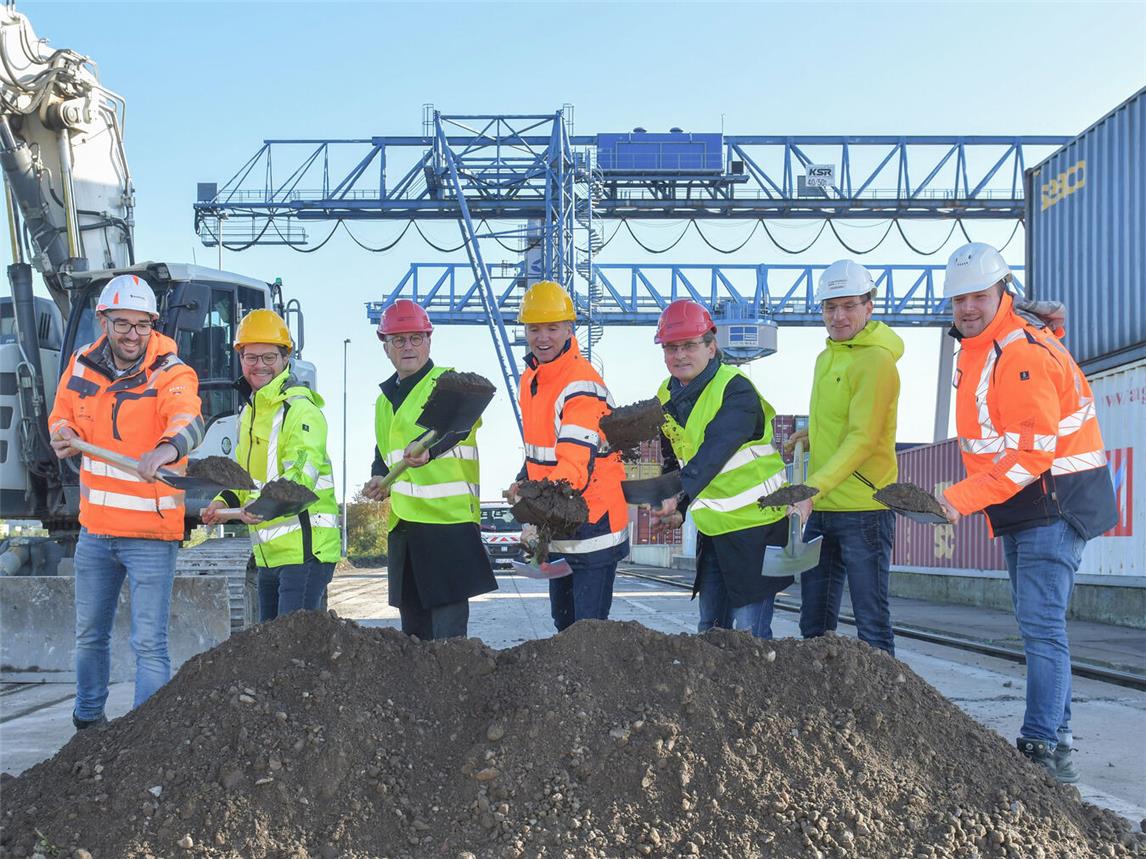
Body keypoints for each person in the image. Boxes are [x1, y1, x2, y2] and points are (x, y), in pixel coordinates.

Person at [937, 242, 1117, 783]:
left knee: (1041, 629)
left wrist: (958, 499)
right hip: (1024, 505)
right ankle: (1055, 742)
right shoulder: (980, 349)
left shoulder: (1018, 353)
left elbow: (1032, 454)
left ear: (1003, 293)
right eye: (958, 299)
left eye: (978, 296)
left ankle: (1041, 745)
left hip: (1052, 503)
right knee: (1038, 626)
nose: (967, 307)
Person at [48, 274, 205, 729]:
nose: (132, 334)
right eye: (122, 324)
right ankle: (88, 724)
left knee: (149, 643)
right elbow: (60, 415)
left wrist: (167, 448)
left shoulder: (171, 371)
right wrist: (61, 434)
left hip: (150, 536)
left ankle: (144, 741)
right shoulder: (80, 365)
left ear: (153, 324)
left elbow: (189, 418)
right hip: (95, 531)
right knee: (89, 637)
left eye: (142, 325)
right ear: (104, 321)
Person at [649, 299, 792, 638]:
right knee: (710, 632)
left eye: (689, 345)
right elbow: (677, 459)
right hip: (714, 531)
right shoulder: (665, 396)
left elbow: (715, 451)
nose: (679, 355)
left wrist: (674, 494)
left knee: (750, 636)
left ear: (711, 347)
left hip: (758, 527)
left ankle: (760, 691)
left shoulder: (736, 389)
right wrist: (679, 507)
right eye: (671, 347)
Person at [787, 260, 903, 655]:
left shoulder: (876, 361)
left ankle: (890, 710)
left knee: (871, 623)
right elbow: (842, 421)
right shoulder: (826, 358)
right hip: (824, 507)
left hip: (864, 510)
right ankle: (820, 711)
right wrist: (812, 433)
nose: (838, 316)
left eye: (849, 306)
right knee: (814, 625)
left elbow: (863, 438)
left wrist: (809, 490)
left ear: (869, 306)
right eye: (830, 307)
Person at [363, 299, 496, 640]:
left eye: (415, 338)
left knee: (449, 638)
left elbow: (463, 425)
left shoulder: (448, 382)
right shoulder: (384, 400)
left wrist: (432, 451)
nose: (408, 347)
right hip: (405, 526)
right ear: (385, 346)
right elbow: (384, 450)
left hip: (446, 524)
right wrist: (380, 476)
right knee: (414, 635)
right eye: (398, 340)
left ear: (428, 340)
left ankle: (453, 694)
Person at [201, 310, 339, 621]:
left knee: (293, 650)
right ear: (240, 357)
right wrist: (222, 502)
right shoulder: (250, 413)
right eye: (251, 357)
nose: (259, 365)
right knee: (271, 647)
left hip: (305, 554)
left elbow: (299, 480)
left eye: (269, 357)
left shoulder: (302, 411)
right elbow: (244, 478)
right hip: (268, 553)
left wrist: (263, 507)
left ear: (285, 357)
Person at [507, 280, 629, 632]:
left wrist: (529, 512)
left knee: (587, 635)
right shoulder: (532, 379)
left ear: (569, 329)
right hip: (560, 520)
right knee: (564, 627)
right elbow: (540, 448)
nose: (542, 337)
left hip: (593, 525)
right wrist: (523, 479)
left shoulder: (580, 384)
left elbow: (572, 469)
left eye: (552, 328)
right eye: (534, 328)